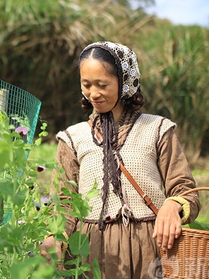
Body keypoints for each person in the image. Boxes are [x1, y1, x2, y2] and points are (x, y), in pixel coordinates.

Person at [40, 41, 200, 278]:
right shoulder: (73, 138)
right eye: (86, 85)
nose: (93, 93)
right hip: (88, 252)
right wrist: (55, 236)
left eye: (102, 85)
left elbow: (186, 190)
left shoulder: (157, 129)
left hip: (150, 250)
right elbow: (64, 201)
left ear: (125, 82)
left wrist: (173, 205)